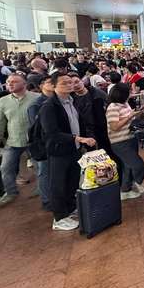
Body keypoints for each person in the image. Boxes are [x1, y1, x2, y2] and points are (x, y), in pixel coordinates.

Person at [39, 73, 96, 231]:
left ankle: (70, 208)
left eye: (71, 82)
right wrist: (78, 138)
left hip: (74, 148)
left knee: (72, 180)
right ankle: (59, 217)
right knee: (58, 184)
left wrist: (84, 138)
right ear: (54, 85)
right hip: (59, 151)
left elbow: (79, 122)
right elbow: (51, 132)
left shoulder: (73, 101)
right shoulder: (49, 106)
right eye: (64, 83)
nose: (69, 85)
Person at [0, 73, 39, 206]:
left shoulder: (37, 98)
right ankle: (10, 192)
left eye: (14, 81)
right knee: (6, 168)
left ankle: (41, 188)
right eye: (8, 81)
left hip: (34, 140)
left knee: (40, 167)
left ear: (24, 84)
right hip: (13, 140)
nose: (10, 84)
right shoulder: (3, 101)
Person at [107, 83, 144, 200]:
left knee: (128, 166)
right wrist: (130, 116)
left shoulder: (125, 104)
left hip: (130, 138)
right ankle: (137, 182)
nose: (131, 94)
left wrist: (140, 112)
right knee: (138, 165)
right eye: (129, 92)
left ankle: (125, 189)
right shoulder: (113, 107)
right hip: (120, 142)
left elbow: (131, 120)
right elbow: (114, 126)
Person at [27, 75, 55, 210]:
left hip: (57, 143)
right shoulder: (36, 105)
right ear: (41, 86)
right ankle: (47, 200)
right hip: (44, 145)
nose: (53, 85)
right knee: (44, 172)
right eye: (50, 83)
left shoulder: (58, 100)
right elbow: (38, 129)